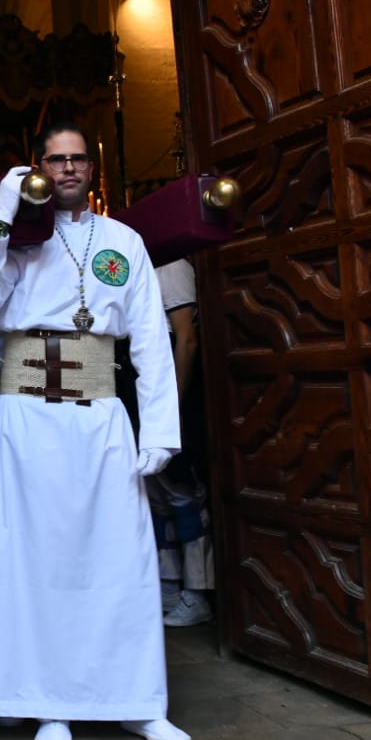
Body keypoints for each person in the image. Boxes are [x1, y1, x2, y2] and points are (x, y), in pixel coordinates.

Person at [0, 123, 190, 740]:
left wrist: (160, 429)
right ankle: (46, 703)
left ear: (93, 168)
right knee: (33, 563)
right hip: (26, 416)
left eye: (77, 160)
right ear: (39, 168)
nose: (66, 170)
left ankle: (137, 702)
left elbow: (149, 339)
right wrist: (4, 219)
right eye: (55, 161)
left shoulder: (123, 242)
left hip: (100, 415)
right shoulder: (17, 238)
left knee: (118, 558)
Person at [150, 258, 214, 626]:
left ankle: (198, 592)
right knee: (157, 493)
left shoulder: (173, 267)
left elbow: (186, 339)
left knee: (183, 492)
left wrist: (171, 406)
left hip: (172, 394)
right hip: (141, 389)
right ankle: (170, 583)